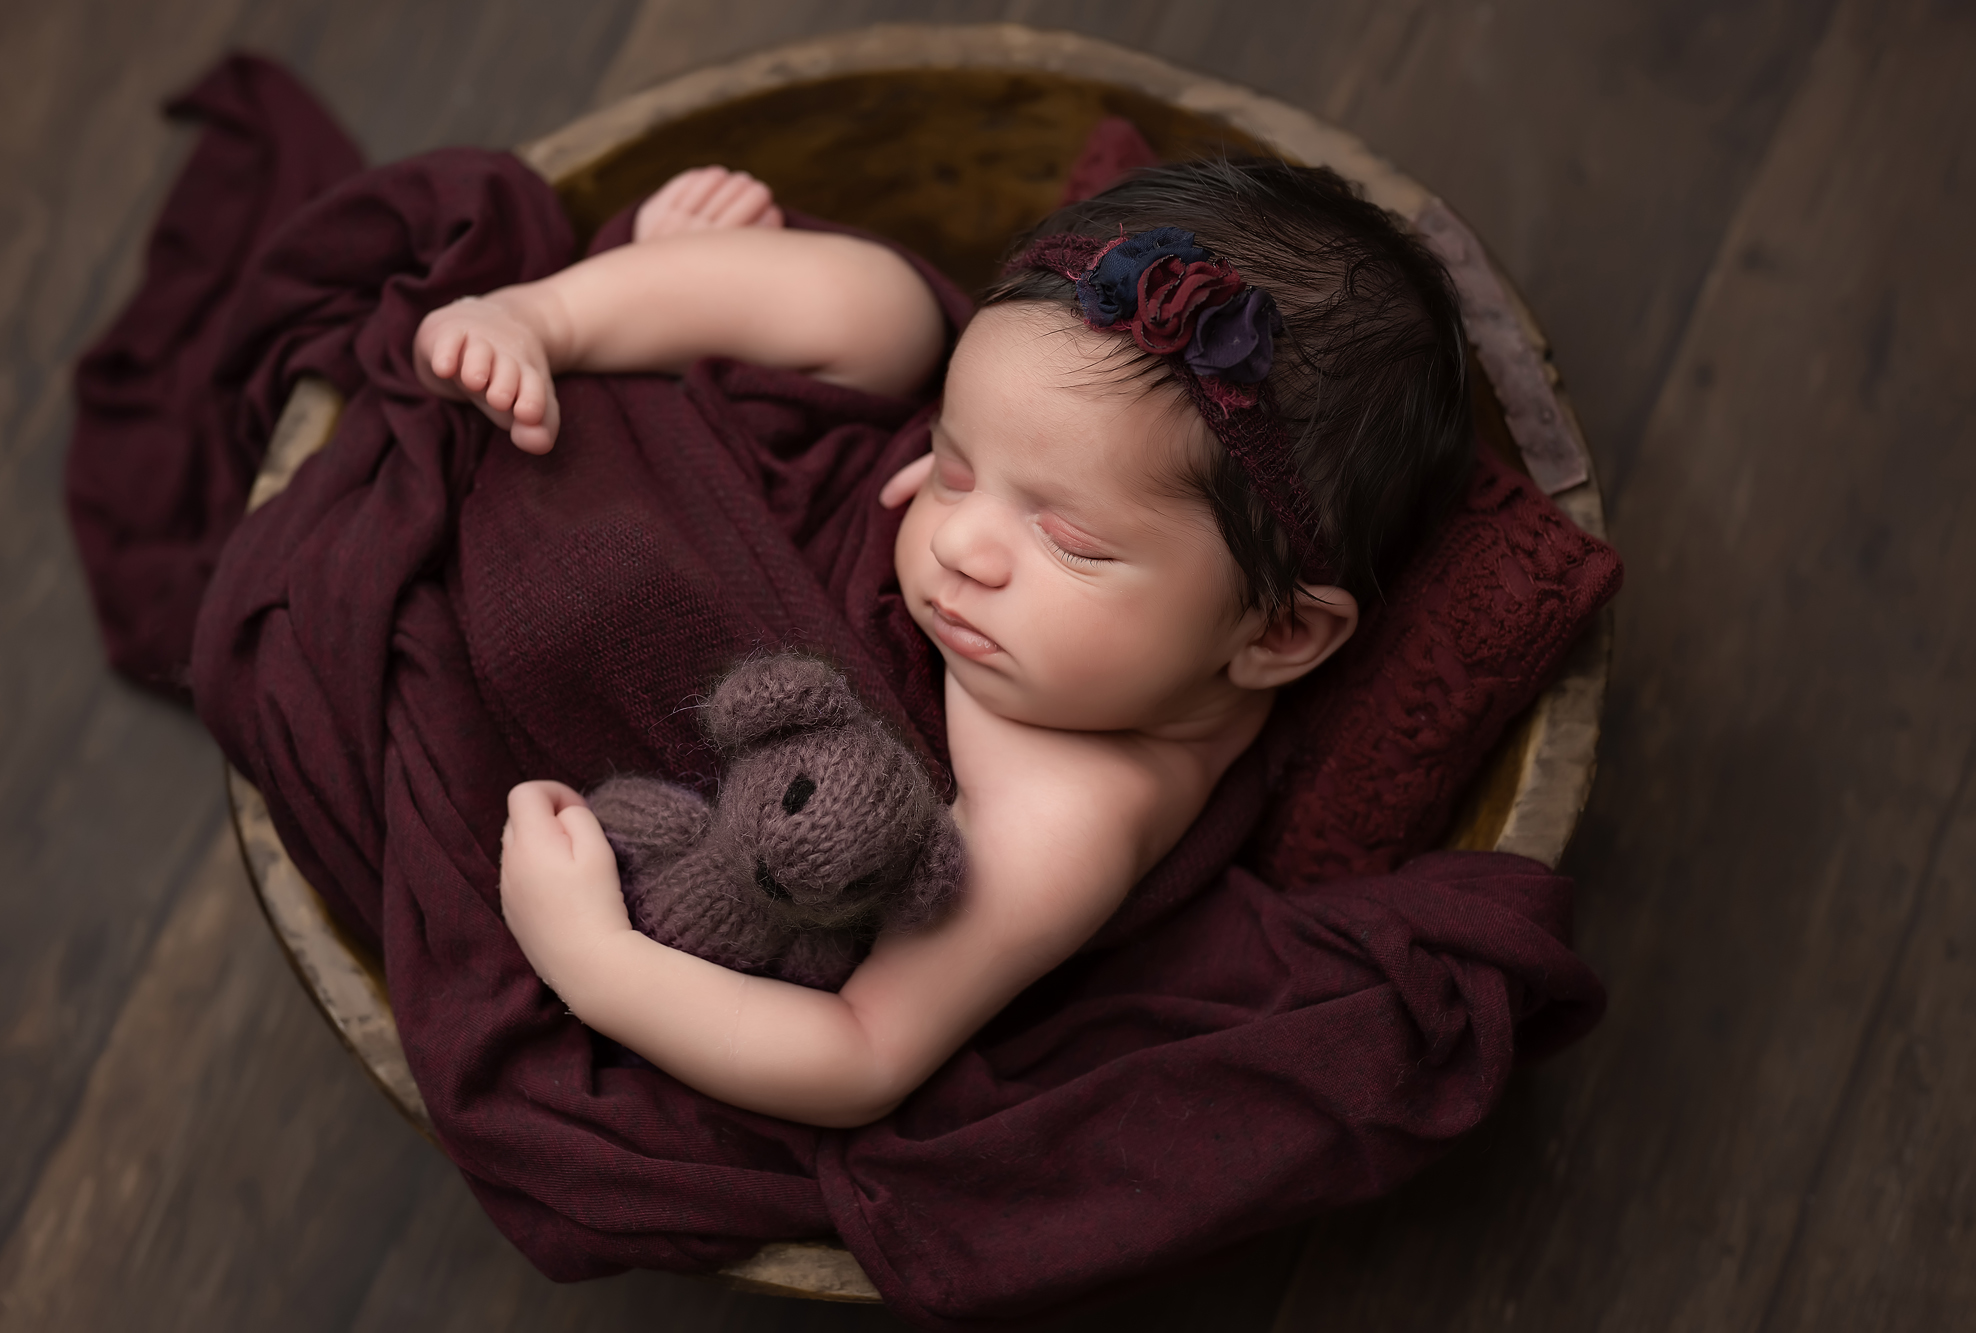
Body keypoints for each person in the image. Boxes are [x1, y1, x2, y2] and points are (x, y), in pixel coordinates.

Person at [411, 156, 1472, 1129]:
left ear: (1279, 632)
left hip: (702, 761)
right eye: (950, 463)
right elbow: (1012, 454)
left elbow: (859, 1055)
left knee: (593, 587)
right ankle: (552, 317)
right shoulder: (1057, 556)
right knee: (886, 309)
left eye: (1068, 542)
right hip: (756, 493)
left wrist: (593, 959)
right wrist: (1004, 484)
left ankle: (669, 313)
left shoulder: (1069, 810)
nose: (959, 540)